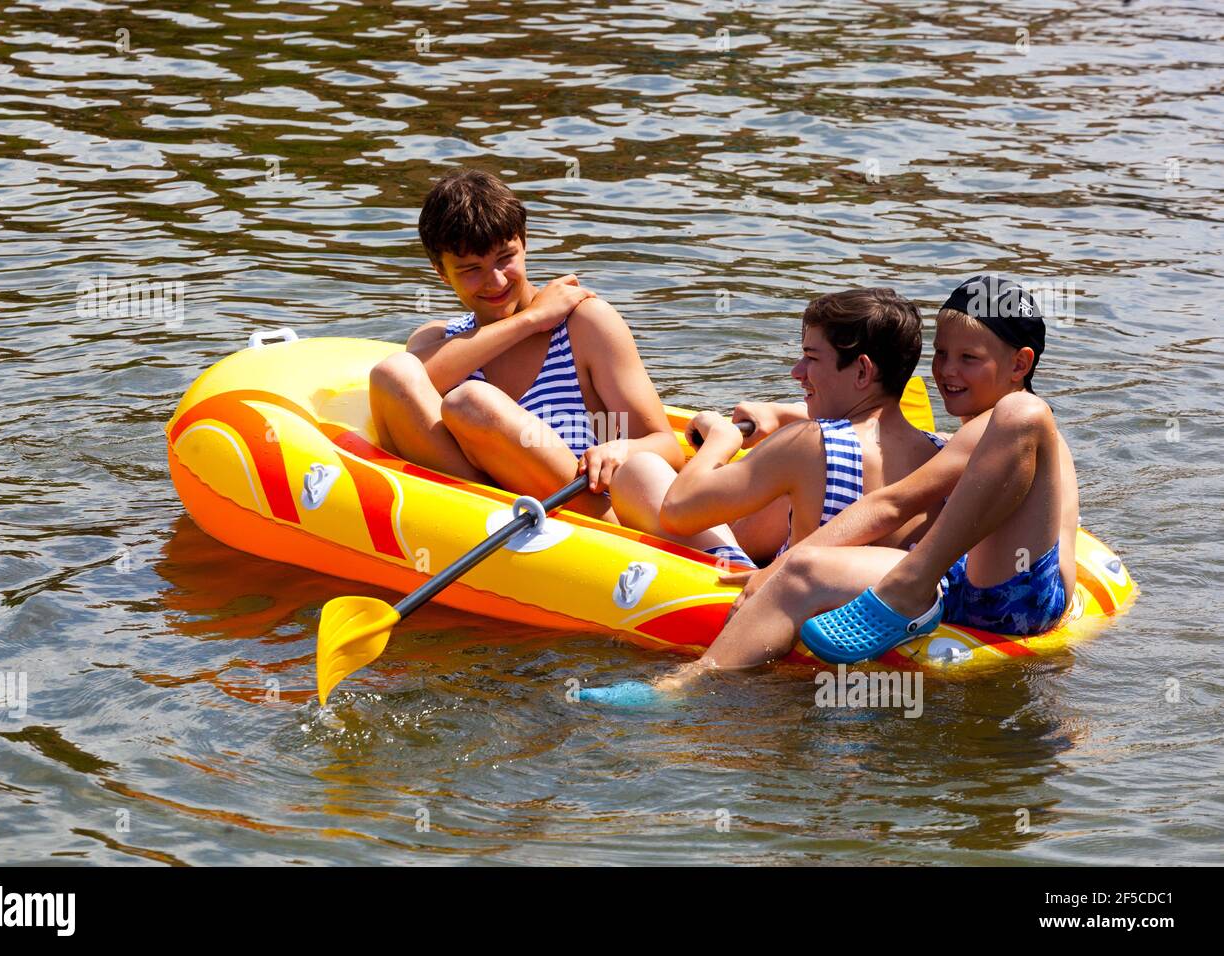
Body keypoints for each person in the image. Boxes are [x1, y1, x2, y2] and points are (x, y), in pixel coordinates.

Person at [581, 275, 1076, 705]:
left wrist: (772, 564)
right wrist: (785, 413)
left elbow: (891, 502)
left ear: (1020, 365)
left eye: (968, 358)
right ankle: (689, 682)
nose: (946, 371)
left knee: (1025, 413)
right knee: (801, 565)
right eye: (941, 354)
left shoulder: (1019, 421)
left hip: (1004, 593)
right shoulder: (955, 442)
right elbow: (889, 433)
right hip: (970, 586)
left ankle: (906, 588)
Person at [368, 168, 682, 522]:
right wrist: (530, 320)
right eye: (471, 268)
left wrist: (621, 448)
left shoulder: (584, 324)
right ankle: (484, 521)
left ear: (524, 241)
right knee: (394, 372)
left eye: (505, 257)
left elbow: (667, 447)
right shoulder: (440, 340)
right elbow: (399, 383)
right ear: (441, 272)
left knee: (472, 402)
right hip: (489, 516)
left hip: (592, 517)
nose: (496, 280)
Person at [607, 287, 944, 576]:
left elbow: (677, 510)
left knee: (639, 470)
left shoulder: (810, 445)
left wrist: (720, 441)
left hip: (784, 605)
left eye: (811, 358)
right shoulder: (943, 454)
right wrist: (782, 414)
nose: (798, 372)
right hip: (877, 609)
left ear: (862, 371)